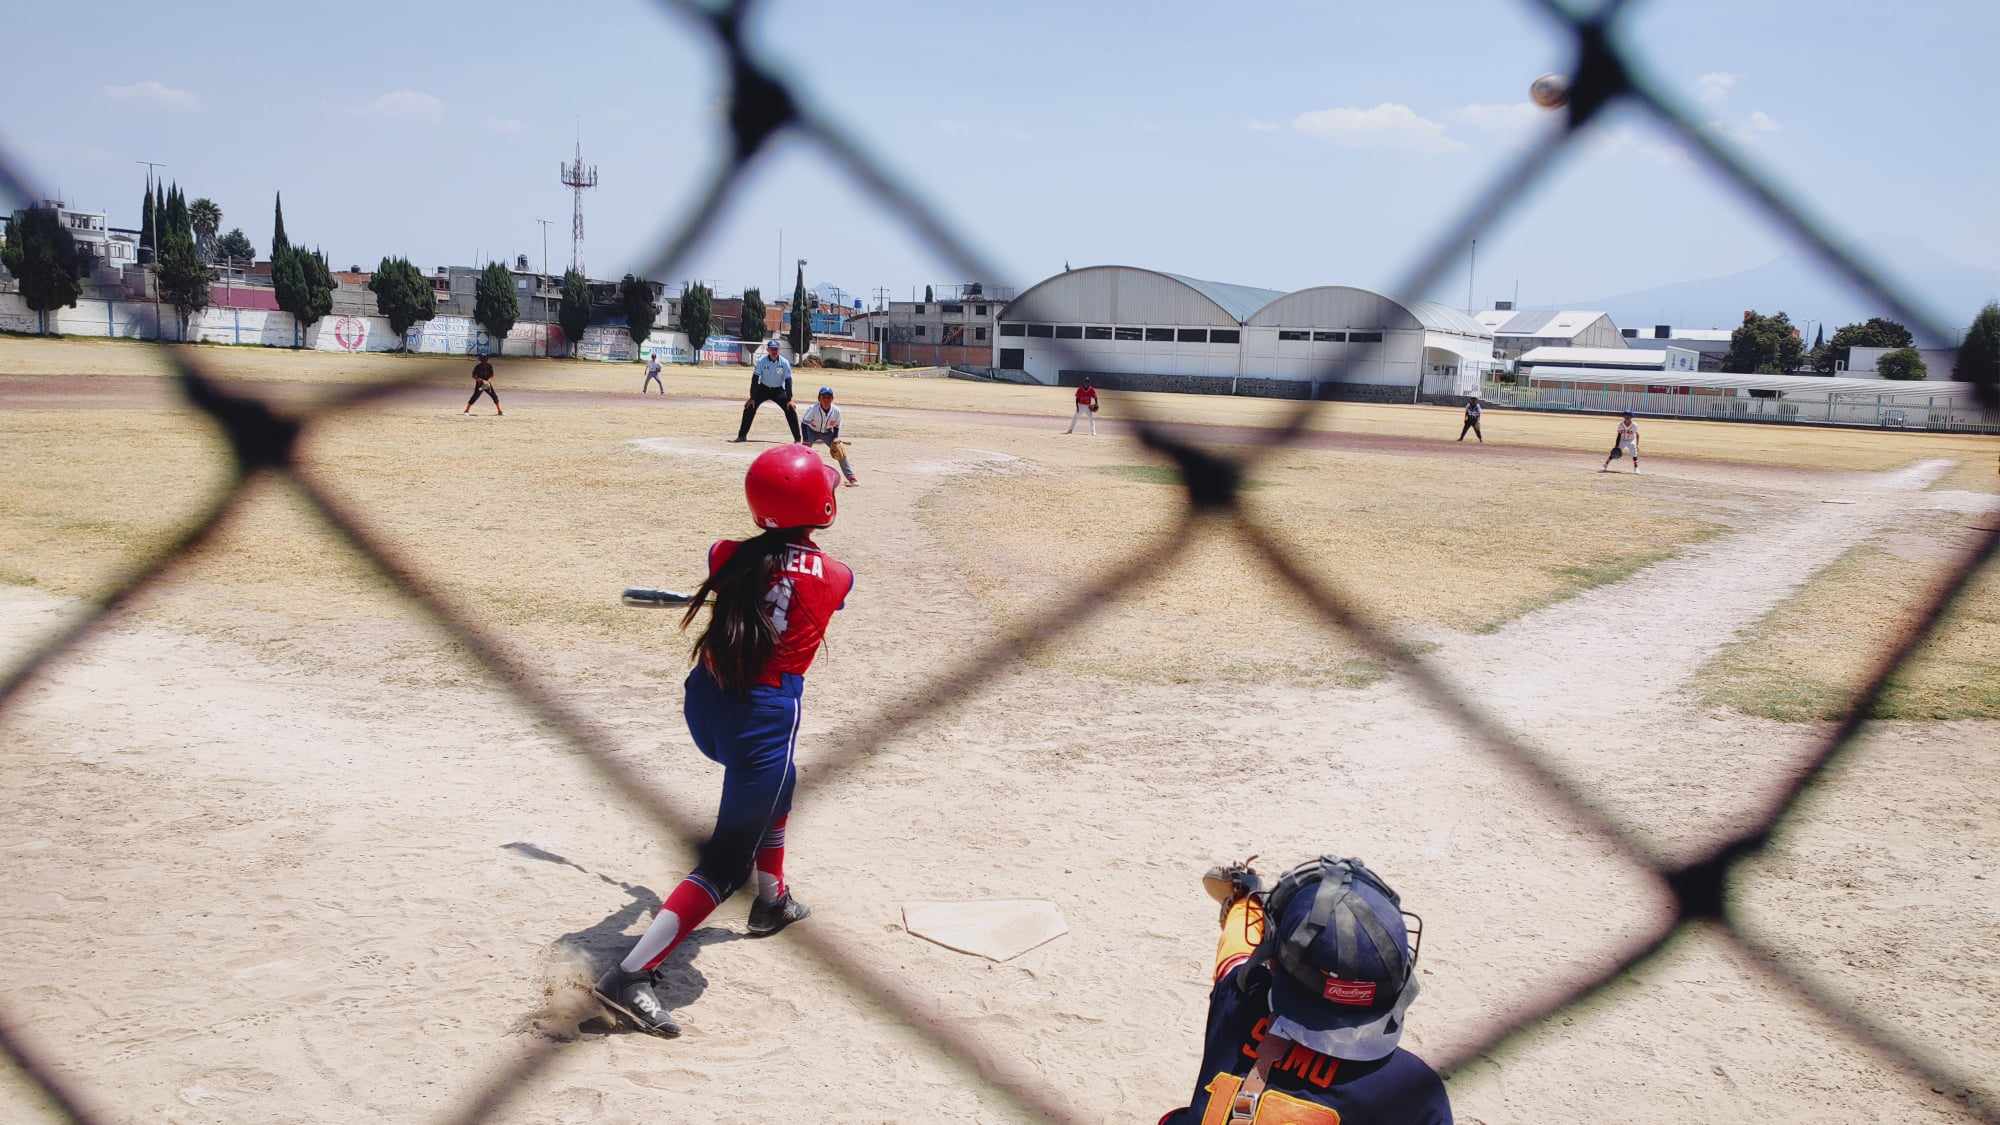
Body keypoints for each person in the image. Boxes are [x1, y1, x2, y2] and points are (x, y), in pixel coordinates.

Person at [592, 445, 853, 1039]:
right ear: (823, 504)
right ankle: (630, 975)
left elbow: (760, 578)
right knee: (722, 864)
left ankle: (774, 898)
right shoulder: (838, 576)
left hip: (707, 704)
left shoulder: (726, 554)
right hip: (761, 719)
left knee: (783, 783)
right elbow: (810, 589)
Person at [1161, 856, 1451, 1125]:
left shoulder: (1237, 1000)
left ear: (1273, 960)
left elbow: (1234, 951)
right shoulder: (1413, 1091)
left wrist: (1242, 897)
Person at [735, 338, 802, 443]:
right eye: (772, 349)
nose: (774, 351)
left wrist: (789, 399)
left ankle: (797, 439)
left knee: (790, 410)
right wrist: (752, 398)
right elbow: (755, 379)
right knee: (749, 408)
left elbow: (788, 381)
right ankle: (742, 436)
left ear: (779, 350)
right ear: (768, 350)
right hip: (763, 389)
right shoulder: (762, 361)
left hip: (778, 390)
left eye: (776, 349)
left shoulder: (784, 363)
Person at [800, 385, 859, 486]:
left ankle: (851, 478)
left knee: (840, 451)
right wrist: (805, 439)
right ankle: (799, 476)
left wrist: (835, 437)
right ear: (819, 398)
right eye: (824, 397)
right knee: (804, 452)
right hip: (811, 431)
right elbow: (804, 424)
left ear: (832, 399)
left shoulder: (836, 411)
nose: (826, 400)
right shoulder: (813, 409)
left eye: (829, 397)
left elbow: (836, 426)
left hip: (827, 433)